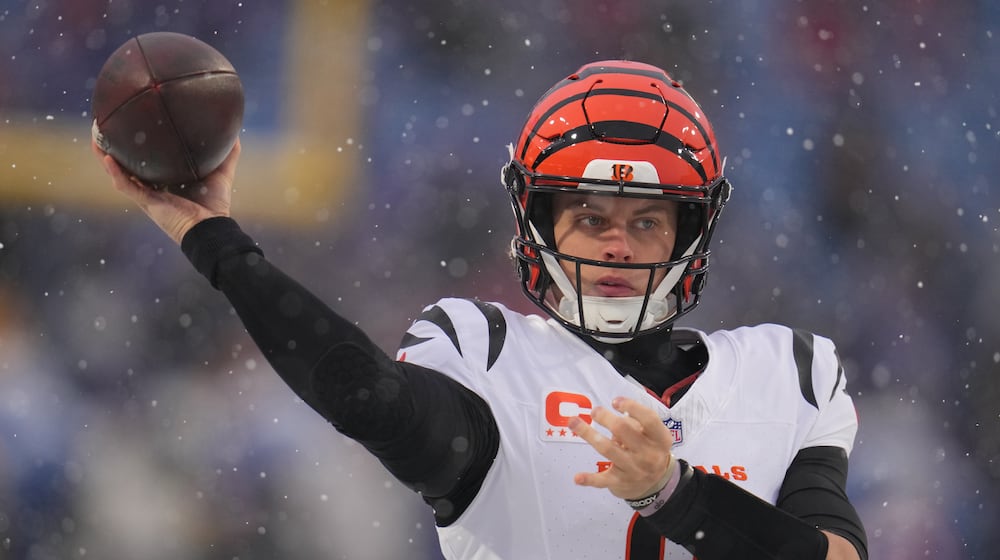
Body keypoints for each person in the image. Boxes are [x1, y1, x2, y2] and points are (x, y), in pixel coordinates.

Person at [93, 60, 868, 560]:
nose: (618, 246)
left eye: (646, 221)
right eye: (591, 217)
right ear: (538, 223)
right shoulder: (486, 350)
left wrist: (676, 496)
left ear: (690, 233)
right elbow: (368, 400)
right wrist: (220, 244)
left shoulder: (789, 371)